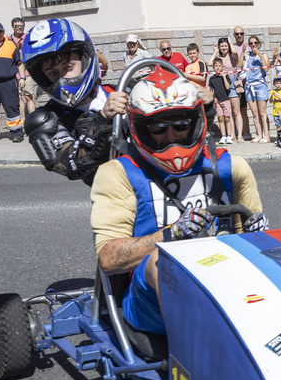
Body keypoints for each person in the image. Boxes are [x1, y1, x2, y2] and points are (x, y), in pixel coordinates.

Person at [90, 68, 264, 336]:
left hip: (227, 277)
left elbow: (250, 234)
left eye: (181, 124)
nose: (171, 136)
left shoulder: (232, 166)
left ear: (196, 121)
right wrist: (171, 235)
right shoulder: (118, 173)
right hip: (148, 297)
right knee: (165, 260)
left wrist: (258, 234)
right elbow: (108, 259)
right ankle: (205, 349)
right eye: (158, 127)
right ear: (140, 128)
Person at [22, 18, 126, 185]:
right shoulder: (48, 120)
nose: (62, 77)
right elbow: (72, 165)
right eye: (52, 72)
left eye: (68, 67)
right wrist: (102, 120)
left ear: (85, 59)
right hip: (116, 198)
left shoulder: (120, 90)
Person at [214, 37, 248, 144]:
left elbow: (234, 52)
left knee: (236, 111)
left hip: (232, 83)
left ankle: (239, 135)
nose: (224, 48)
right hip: (222, 85)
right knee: (228, 113)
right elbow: (211, 63)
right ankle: (231, 134)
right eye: (222, 46)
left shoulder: (232, 56)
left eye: (226, 46)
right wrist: (215, 52)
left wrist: (229, 42)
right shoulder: (218, 58)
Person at [241, 36, 270, 144]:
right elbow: (239, 65)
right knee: (254, 113)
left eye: (255, 43)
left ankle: (266, 135)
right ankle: (259, 134)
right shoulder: (247, 55)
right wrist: (242, 52)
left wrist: (260, 55)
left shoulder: (264, 54)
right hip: (249, 85)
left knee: (262, 112)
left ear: (259, 43)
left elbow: (266, 69)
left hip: (260, 85)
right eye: (251, 43)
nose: (253, 45)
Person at [230, 26, 254, 141]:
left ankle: (248, 132)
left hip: (249, 82)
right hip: (237, 82)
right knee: (239, 109)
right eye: (237, 34)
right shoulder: (232, 48)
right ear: (234, 35)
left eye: (241, 33)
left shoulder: (250, 47)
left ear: (244, 34)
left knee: (253, 109)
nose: (239, 35)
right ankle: (239, 133)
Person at [208, 48, 234, 145]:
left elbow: (228, 87)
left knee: (227, 118)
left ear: (222, 67)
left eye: (219, 66)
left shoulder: (226, 76)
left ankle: (229, 136)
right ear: (214, 67)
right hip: (217, 101)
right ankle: (223, 136)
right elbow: (211, 90)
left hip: (226, 100)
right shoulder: (212, 78)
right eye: (216, 66)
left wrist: (223, 77)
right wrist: (213, 98)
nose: (218, 68)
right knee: (220, 118)